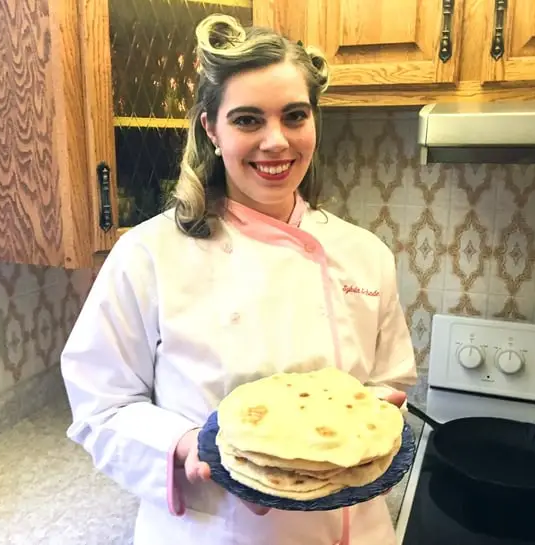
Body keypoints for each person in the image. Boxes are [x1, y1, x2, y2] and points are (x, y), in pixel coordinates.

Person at [60, 13, 417, 545]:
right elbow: (100, 406)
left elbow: (389, 381)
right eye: (248, 120)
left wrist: (372, 411)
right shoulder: (150, 253)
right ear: (211, 128)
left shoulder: (366, 254)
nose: (276, 142)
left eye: (295, 116)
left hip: (354, 527)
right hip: (219, 530)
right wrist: (186, 444)